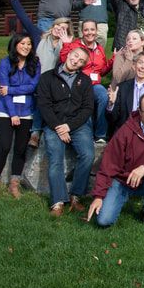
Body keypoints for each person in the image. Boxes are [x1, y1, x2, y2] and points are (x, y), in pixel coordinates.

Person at [87, 93, 144, 226]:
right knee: (103, 221)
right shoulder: (126, 131)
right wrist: (98, 196)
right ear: (139, 111)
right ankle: (120, 198)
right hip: (123, 182)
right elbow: (108, 164)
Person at [1, 0, 72, 149]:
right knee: (41, 92)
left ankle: (39, 131)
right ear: (53, 26)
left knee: (46, 92)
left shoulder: (69, 45)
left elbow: (70, 64)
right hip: (35, 79)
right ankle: (35, 132)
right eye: (58, 26)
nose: (59, 29)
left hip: (56, 82)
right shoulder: (39, 37)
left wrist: (67, 45)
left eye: (64, 28)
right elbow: (23, 18)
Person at [37, 47, 95, 217]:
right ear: (68, 54)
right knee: (55, 159)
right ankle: (58, 201)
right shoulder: (47, 77)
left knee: (88, 155)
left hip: (77, 125)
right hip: (53, 124)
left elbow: (88, 108)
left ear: (82, 65)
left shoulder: (84, 80)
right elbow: (44, 106)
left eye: (81, 61)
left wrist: (69, 126)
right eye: (75, 56)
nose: (76, 61)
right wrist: (58, 127)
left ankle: (76, 195)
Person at [0, 33, 41, 200]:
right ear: (15, 44)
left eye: (29, 44)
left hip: (26, 111)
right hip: (6, 110)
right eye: (22, 43)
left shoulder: (35, 63)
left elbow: (33, 87)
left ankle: (14, 185)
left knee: (20, 149)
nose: (26, 47)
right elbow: (3, 92)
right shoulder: (5, 63)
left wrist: (11, 89)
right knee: (4, 147)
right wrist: (13, 114)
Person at [59, 20, 112, 143]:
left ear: (96, 31)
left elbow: (102, 71)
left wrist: (112, 61)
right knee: (85, 101)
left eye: (92, 29)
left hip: (95, 85)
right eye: (86, 30)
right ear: (82, 32)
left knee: (103, 95)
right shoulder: (75, 45)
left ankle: (100, 135)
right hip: (79, 83)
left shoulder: (99, 48)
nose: (89, 33)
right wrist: (66, 45)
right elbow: (64, 61)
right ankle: (86, 135)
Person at [107, 50, 144, 134]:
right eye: (140, 62)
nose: (143, 67)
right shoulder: (122, 88)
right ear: (134, 65)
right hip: (126, 133)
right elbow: (112, 119)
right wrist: (111, 104)